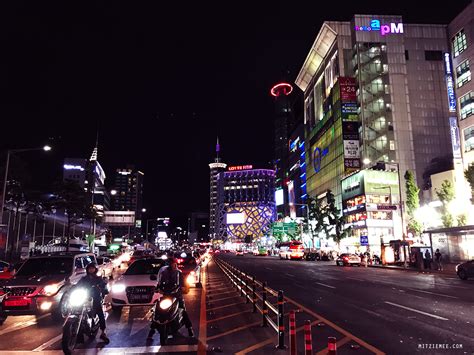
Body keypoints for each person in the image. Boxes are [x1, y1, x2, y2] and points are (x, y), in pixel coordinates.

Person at [148, 257, 194, 339]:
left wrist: (185, 288)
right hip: (166, 295)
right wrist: (157, 288)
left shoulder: (178, 273)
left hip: (176, 296)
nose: (170, 265)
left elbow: (184, 284)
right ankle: (151, 331)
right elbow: (159, 283)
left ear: (175, 264)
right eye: (169, 263)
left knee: (183, 310)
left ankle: (189, 329)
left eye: (172, 263)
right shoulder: (163, 273)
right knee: (156, 311)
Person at [76, 262, 110, 343]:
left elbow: (103, 286)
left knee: (100, 312)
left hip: (95, 298)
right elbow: (77, 285)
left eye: (92, 268)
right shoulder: (84, 279)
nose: (91, 269)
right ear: (87, 269)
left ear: (95, 269)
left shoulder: (98, 278)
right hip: (84, 297)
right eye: (89, 268)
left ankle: (103, 332)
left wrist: (104, 285)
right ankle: (78, 333)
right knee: (76, 311)